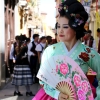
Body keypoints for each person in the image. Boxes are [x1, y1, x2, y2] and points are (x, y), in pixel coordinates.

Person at [33, 0, 100, 100]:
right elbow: (43, 80)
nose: (60, 30)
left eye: (65, 27)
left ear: (76, 27)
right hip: (53, 97)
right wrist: (56, 94)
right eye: (58, 26)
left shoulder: (89, 54)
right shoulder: (50, 51)